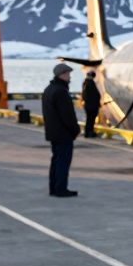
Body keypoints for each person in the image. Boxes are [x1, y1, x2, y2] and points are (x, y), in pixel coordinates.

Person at [41, 63, 80, 198]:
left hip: (53, 133)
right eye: (68, 74)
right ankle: (61, 189)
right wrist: (75, 130)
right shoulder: (61, 92)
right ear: (62, 75)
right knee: (63, 162)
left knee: (56, 161)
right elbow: (68, 115)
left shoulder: (48, 89)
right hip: (63, 134)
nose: (69, 77)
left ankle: (54, 188)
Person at [82, 69, 102, 138]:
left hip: (88, 105)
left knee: (89, 119)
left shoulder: (85, 83)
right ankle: (90, 132)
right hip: (92, 105)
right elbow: (94, 95)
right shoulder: (90, 83)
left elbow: (85, 95)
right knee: (91, 119)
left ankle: (87, 132)